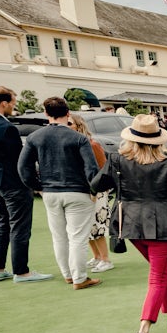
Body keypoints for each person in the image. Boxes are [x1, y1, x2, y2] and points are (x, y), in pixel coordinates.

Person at [90, 114, 167, 333]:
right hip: (163, 226)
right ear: (158, 140)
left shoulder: (117, 161)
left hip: (129, 225)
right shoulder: (166, 163)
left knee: (162, 272)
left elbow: (96, 185)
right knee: (158, 276)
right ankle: (144, 329)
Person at [16, 96, 101, 289]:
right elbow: (91, 169)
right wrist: (94, 189)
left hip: (50, 192)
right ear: (68, 113)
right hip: (77, 191)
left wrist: (37, 186)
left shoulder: (35, 137)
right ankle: (79, 278)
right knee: (77, 237)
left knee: (59, 236)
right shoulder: (79, 138)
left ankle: (68, 275)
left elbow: (23, 167)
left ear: (46, 113)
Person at [0, 86, 51, 283]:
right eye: (12, 102)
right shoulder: (7, 128)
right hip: (12, 183)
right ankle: (21, 271)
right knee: (19, 226)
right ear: (4, 103)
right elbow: (20, 161)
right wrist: (35, 184)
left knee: (3, 222)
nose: (13, 106)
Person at [68, 114, 114, 273]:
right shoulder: (70, 145)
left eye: (70, 123)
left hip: (96, 190)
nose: (66, 126)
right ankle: (97, 256)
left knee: (97, 225)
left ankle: (105, 258)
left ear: (78, 126)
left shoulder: (92, 144)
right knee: (86, 227)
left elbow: (103, 168)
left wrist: (99, 189)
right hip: (80, 190)